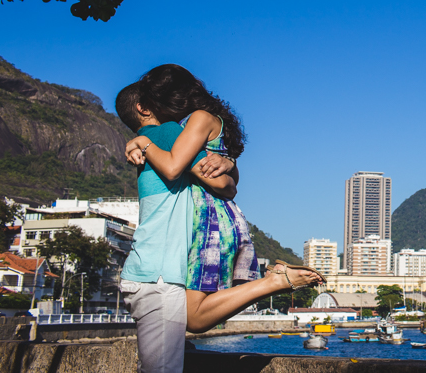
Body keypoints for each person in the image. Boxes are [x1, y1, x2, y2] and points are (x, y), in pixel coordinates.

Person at [116, 70, 321, 373]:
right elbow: (224, 181)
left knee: (192, 321)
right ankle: (273, 281)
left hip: (188, 235)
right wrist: (229, 164)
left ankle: (274, 281)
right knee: (194, 320)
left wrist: (142, 141)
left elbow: (195, 171)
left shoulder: (168, 132)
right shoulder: (173, 131)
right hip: (192, 236)